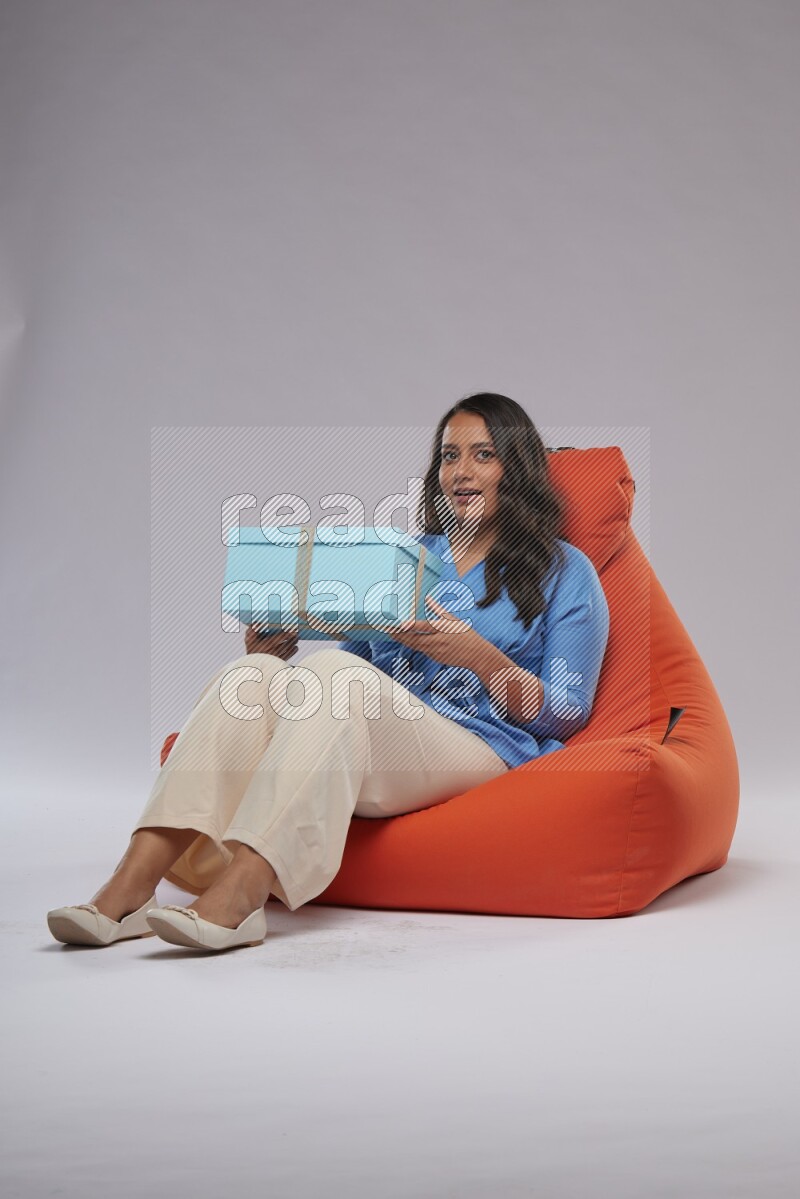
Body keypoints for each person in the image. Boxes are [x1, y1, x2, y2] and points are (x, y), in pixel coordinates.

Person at [46, 393, 610, 952]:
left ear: (519, 469)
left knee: (337, 675)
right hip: (379, 739)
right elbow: (355, 670)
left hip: (482, 747)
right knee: (249, 678)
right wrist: (274, 653)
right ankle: (131, 887)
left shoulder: (565, 570)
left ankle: (243, 890)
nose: (460, 472)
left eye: (483, 455)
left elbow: (567, 712)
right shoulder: (410, 554)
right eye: (449, 455)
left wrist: (482, 659)